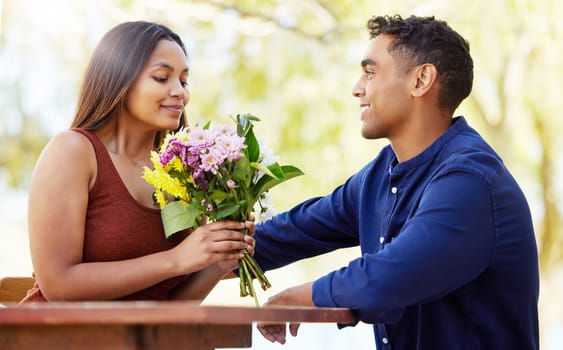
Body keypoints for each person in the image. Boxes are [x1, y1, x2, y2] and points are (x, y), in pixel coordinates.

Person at [253, 15, 539, 349]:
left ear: (421, 80)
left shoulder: (471, 180)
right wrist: (190, 255)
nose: (357, 87)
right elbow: (293, 231)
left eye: (370, 72)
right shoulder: (379, 175)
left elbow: (389, 278)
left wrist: (296, 298)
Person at [21, 21, 254, 302]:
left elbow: (169, 306)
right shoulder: (73, 152)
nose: (180, 91)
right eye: (161, 77)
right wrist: (177, 259)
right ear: (119, 80)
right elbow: (58, 286)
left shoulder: (184, 174)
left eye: (184, 80)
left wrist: (219, 259)